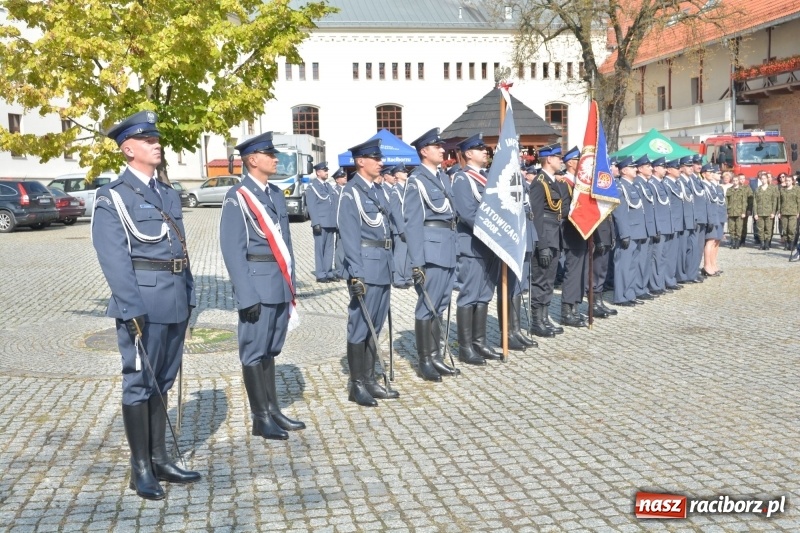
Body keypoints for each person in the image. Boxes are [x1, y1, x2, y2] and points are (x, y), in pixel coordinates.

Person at [92, 111, 200, 500]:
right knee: (139, 383)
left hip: (172, 298)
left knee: (163, 381)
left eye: (157, 139)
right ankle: (140, 469)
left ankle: (160, 459)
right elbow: (114, 256)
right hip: (142, 301)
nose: (157, 144)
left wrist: (188, 294)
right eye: (148, 140)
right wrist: (130, 306)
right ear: (128, 148)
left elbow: (181, 250)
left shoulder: (167, 192)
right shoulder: (114, 196)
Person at [219, 132, 305, 440]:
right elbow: (232, 248)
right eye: (270, 154)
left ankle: (273, 410)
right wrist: (246, 294)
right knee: (254, 352)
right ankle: (260, 418)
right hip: (256, 284)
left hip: (278, 284)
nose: (275, 158)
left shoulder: (276, 194)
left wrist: (290, 284)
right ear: (253, 159)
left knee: (270, 350)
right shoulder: (238, 196)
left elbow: (287, 247)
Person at [337, 138, 398, 406]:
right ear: (361, 161)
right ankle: (357, 384)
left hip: (382, 263)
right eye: (375, 158)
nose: (380, 162)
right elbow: (349, 236)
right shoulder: (351, 193)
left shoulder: (377, 190)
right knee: (360, 325)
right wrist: (356, 273)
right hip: (366, 265)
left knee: (376, 325)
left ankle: (371, 379)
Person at [404, 128, 458, 381]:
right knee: (427, 306)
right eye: (437, 146)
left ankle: (436, 356)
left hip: (447, 247)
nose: (442, 149)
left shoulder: (443, 177)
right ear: (424, 151)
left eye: (442, 146)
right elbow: (412, 223)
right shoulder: (417, 180)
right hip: (431, 250)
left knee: (441, 304)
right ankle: (425, 360)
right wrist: (417, 262)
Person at [451, 133, 507, 363]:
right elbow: (467, 213)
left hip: (490, 245)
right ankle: (465, 348)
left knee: (484, 295)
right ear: (468, 153)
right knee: (469, 295)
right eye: (480, 148)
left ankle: (479, 342)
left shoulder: (487, 178)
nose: (486, 151)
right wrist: (494, 232)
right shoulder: (463, 179)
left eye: (485, 148)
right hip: (473, 245)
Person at [528, 144, 567, 336]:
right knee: (540, 280)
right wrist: (542, 246)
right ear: (548, 160)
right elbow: (536, 216)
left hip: (555, 237)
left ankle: (544, 318)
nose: (561, 160)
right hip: (545, 239)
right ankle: (537, 322)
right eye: (558, 157)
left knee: (549, 281)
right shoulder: (539, 182)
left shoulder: (552, 182)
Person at [612, 156, 648, 307]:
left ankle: (630, 293)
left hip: (637, 231)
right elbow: (619, 213)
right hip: (628, 232)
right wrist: (624, 233)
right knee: (623, 266)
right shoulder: (620, 187)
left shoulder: (633, 186)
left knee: (633, 265)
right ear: (624, 170)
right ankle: (621, 297)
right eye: (633, 167)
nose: (635, 169)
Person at [306, 161, 337, 282]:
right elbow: (312, 206)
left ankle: (328, 272)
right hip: (321, 223)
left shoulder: (328, 186)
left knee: (329, 249)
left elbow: (332, 204)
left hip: (330, 222)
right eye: (325, 170)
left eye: (327, 170)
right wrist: (315, 223)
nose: (327, 172)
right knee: (320, 249)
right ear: (318, 172)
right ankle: (320, 274)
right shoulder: (313, 187)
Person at [632, 155, 658, 300]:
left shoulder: (646, 183)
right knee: (640, 260)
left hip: (649, 227)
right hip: (642, 227)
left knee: (647, 259)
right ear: (640, 169)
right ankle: (638, 288)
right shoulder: (637, 184)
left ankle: (643, 286)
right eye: (648, 166)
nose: (651, 169)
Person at [647, 157, 673, 295]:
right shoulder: (652, 184)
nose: (665, 169)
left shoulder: (661, 183)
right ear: (656, 168)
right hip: (659, 226)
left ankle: (660, 283)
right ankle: (654, 285)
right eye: (663, 167)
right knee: (656, 257)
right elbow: (654, 208)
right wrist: (657, 227)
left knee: (663, 256)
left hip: (666, 224)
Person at [661, 158, 686, 290]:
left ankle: (671, 278)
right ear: (669, 170)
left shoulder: (676, 184)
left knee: (673, 254)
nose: (679, 170)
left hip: (677, 223)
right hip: (671, 224)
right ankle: (667, 280)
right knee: (668, 254)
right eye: (677, 168)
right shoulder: (667, 184)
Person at [389, 165, 412, 288]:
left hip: (408, 227)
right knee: (400, 254)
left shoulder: (406, 188)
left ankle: (407, 277)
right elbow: (396, 212)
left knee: (408, 254)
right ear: (397, 175)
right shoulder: (395, 190)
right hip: (400, 228)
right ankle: (398, 278)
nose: (406, 173)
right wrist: (401, 229)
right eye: (403, 172)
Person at [753, 172, 778, 250]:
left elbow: (774, 201)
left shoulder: (772, 189)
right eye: (762, 179)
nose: (763, 180)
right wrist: (755, 213)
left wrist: (773, 212)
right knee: (760, 229)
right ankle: (762, 243)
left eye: (764, 178)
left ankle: (767, 244)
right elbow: (755, 202)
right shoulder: (758, 189)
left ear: (767, 179)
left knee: (768, 229)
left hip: (769, 212)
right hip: (760, 212)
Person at [332, 168, 347, 279]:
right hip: (340, 223)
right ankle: (339, 270)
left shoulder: (347, 190)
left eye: (345, 176)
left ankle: (345, 268)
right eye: (342, 177)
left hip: (348, 223)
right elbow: (335, 209)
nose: (345, 178)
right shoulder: (334, 191)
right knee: (340, 247)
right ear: (337, 180)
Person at [778, 174, 800, 250]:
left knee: (791, 228)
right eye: (786, 180)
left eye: (789, 180)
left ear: (792, 181)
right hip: (784, 212)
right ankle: (786, 243)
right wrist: (779, 212)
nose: (787, 182)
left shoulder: (797, 189)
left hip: (793, 212)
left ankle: (791, 243)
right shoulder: (782, 190)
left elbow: (798, 201)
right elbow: (779, 202)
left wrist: (798, 211)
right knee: (785, 229)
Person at [726, 174, 747, 249]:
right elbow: (726, 201)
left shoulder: (742, 190)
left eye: (736, 180)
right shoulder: (729, 190)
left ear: (738, 181)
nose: (735, 182)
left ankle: (737, 242)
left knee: (739, 228)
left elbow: (744, 202)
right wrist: (726, 212)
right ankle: (733, 242)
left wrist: (744, 212)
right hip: (731, 211)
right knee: (731, 228)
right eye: (734, 181)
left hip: (739, 211)